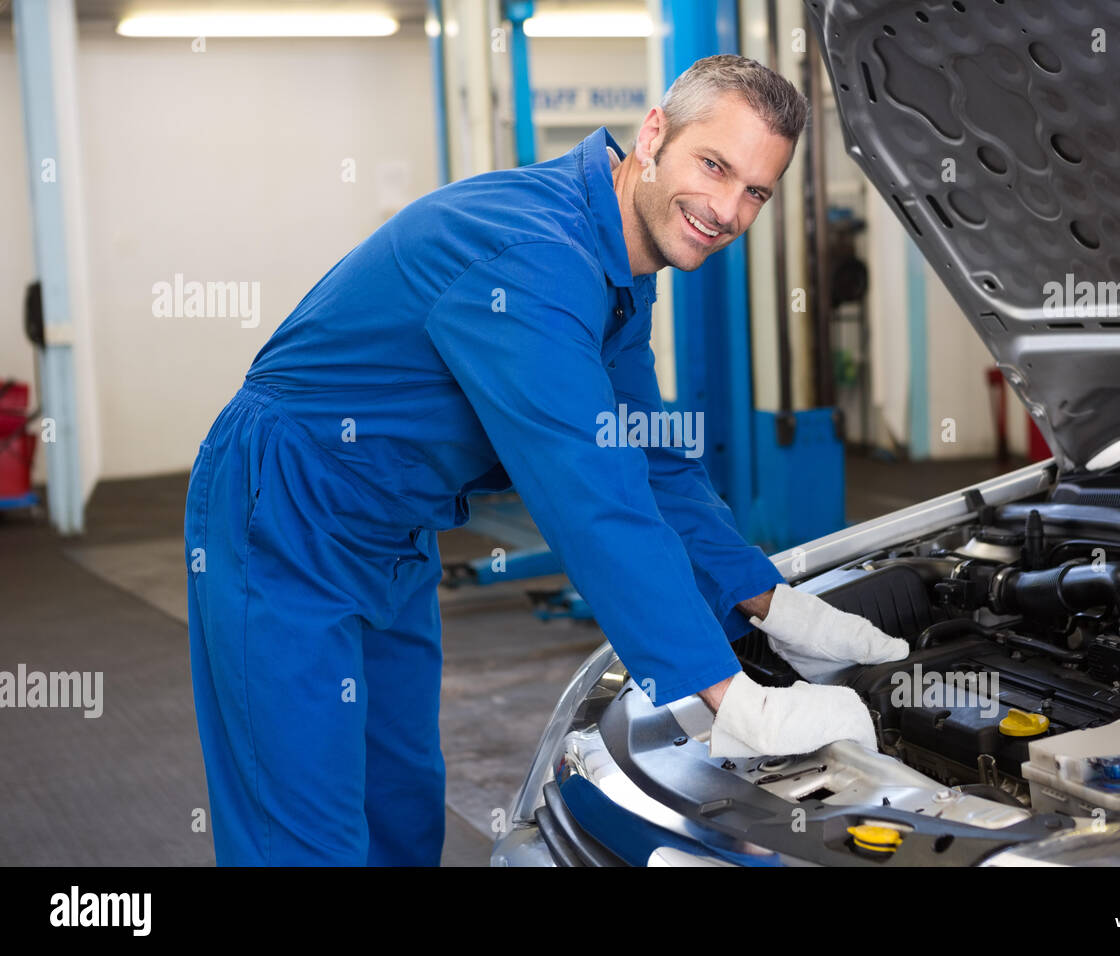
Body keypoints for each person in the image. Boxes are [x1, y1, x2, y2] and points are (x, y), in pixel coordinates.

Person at [184, 54, 907, 866]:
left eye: (756, 191)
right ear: (654, 134)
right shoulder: (536, 257)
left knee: (398, 804)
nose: (727, 209)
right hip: (283, 505)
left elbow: (650, 461)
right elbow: (590, 494)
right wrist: (728, 695)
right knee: (303, 828)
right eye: (714, 165)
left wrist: (770, 601)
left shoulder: (619, 268)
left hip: (391, 527)